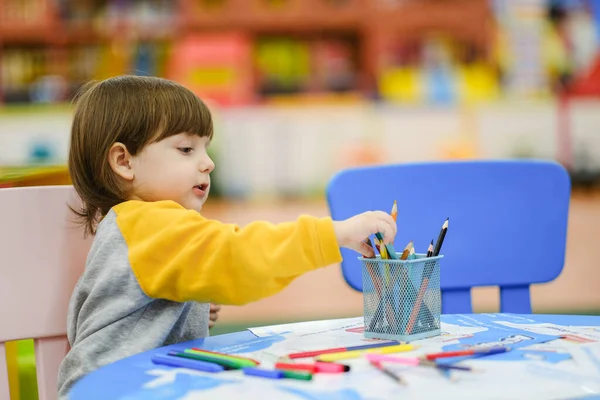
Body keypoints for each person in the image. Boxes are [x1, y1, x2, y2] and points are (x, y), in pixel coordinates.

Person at [57, 75, 396, 397]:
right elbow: (240, 256)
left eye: (206, 149)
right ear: (124, 161)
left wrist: (191, 309)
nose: (208, 164)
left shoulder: (134, 226)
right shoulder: (148, 223)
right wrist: (332, 233)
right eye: (186, 149)